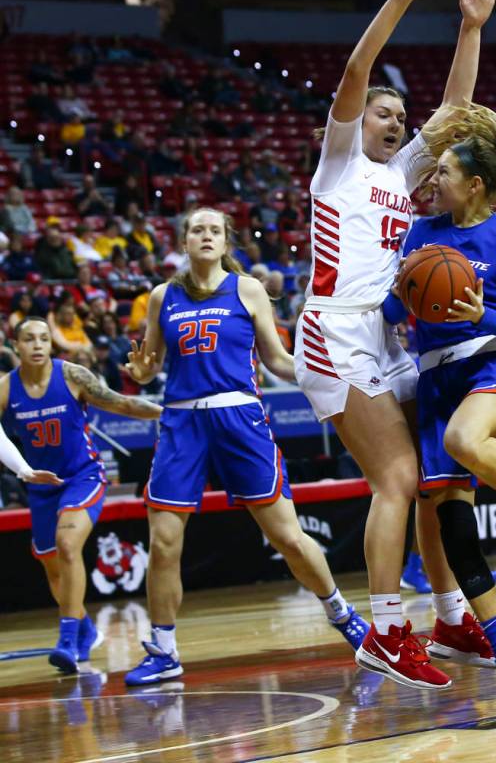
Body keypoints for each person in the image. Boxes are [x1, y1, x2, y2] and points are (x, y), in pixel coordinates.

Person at [294, 0, 496, 692]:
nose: (393, 122)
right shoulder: (339, 162)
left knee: (434, 476)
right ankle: (385, 631)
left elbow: (455, 106)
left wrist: (469, 28)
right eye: (383, 113)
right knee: (396, 476)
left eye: (397, 116)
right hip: (333, 331)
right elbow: (356, 68)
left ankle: (447, 614)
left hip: (385, 338)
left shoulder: (401, 175)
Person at [123, 207, 367, 687]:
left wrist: (321, 371)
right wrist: (141, 374)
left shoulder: (248, 290)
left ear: (226, 241)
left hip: (239, 417)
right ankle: (163, 648)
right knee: (164, 542)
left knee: (288, 538)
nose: (206, 236)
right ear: (185, 240)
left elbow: (275, 359)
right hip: (182, 422)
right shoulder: (161, 297)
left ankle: (344, 615)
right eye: (197, 229)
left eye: (215, 230)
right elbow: (150, 365)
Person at [382, 106, 496, 705]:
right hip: (434, 380)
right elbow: (393, 310)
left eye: (445, 173)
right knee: (456, 531)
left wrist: (476, 313)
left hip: (492, 367)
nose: (434, 180)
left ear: (475, 184)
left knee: (465, 441)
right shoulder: (421, 233)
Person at [2, 317, 162, 672]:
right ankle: (86, 630)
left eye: (44, 338)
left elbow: (123, 404)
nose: (38, 345)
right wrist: (22, 470)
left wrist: (169, 414)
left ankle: (67, 639)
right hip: (42, 486)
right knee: (54, 570)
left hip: (83, 476)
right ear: (16, 347)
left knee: (68, 544)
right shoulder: (6, 388)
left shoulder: (73, 376)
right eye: (29, 339)